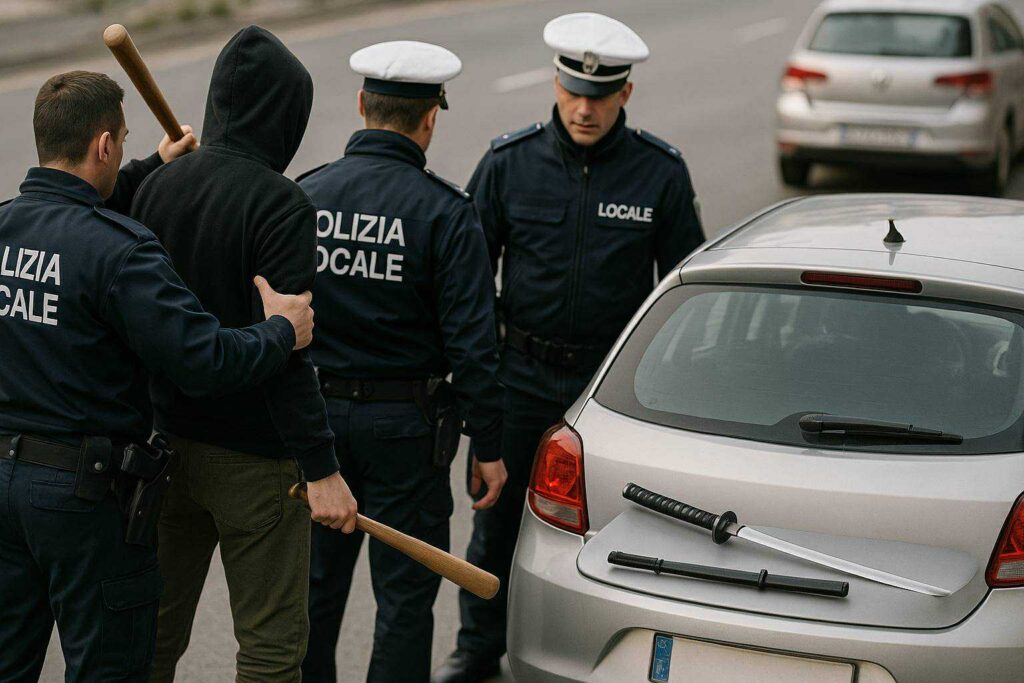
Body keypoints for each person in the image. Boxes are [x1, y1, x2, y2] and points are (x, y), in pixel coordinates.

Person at [0, 70, 315, 682]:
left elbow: (73, 215)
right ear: (103, 145)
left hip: (5, 480)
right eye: (122, 140)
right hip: (81, 496)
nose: (123, 151)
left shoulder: (8, 226)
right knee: (110, 666)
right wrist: (281, 331)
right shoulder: (120, 250)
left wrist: (151, 166)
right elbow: (204, 360)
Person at [433, 13, 706, 682]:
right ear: (556, 85)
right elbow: (466, 282)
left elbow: (687, 295)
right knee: (497, 522)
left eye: (601, 95)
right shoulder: (509, 164)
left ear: (625, 93)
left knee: (615, 527)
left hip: (610, 389)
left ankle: (602, 648)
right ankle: (478, 647)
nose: (585, 109)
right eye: (574, 92)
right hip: (520, 377)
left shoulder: (659, 173)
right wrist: (476, 384)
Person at [130, 26, 358, 682]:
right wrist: (322, 466)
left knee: (152, 635)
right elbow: (288, 351)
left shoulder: (157, 187)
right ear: (285, 115)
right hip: (256, 464)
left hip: (164, 443)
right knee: (269, 649)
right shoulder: (281, 204)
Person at [295, 41, 508, 683]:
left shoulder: (306, 195)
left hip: (314, 423)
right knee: (405, 602)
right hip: (407, 432)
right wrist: (488, 446)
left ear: (362, 103)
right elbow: (474, 346)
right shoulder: (446, 211)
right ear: (430, 117)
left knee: (310, 596)